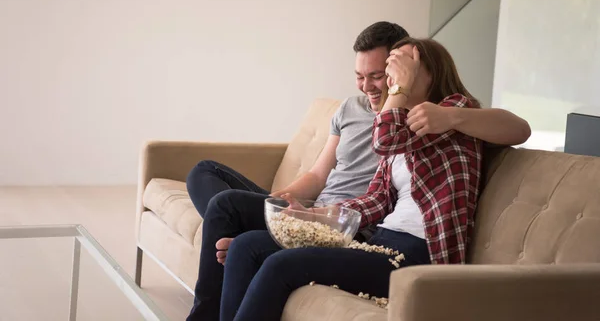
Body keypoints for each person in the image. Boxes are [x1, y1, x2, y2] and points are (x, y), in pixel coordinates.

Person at [185, 23, 530, 321]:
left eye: (398, 71)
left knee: (280, 266)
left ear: (431, 73)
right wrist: (310, 215)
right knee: (247, 246)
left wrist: (449, 116)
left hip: (419, 258)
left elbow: (520, 128)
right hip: (380, 242)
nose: (393, 81)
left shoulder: (453, 115)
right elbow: (374, 201)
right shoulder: (405, 133)